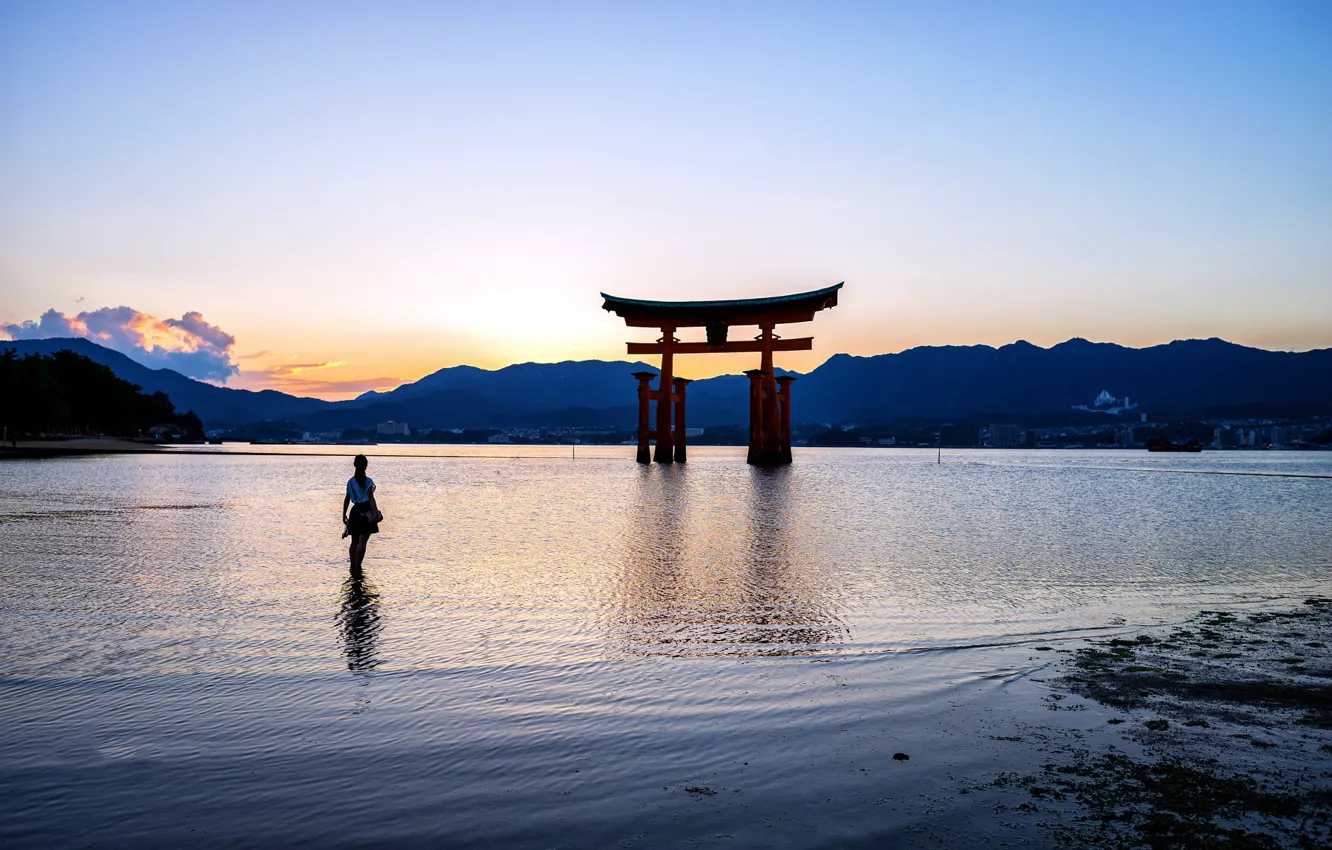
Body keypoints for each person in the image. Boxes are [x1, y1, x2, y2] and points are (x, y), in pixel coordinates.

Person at [342, 454, 379, 570]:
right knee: (363, 542)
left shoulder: (350, 482)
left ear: (354, 465)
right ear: (366, 466)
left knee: (354, 542)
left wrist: (344, 514)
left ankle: (352, 565)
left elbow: (347, 499)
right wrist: (375, 512)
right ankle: (358, 566)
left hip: (355, 511)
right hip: (366, 510)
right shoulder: (368, 481)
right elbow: (371, 498)